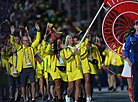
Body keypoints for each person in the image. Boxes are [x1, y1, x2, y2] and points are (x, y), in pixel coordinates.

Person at [10, 23, 41, 102]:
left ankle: (33, 98)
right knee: (23, 85)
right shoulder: (19, 48)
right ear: (22, 41)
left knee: (33, 83)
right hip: (23, 69)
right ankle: (24, 99)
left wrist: (38, 30)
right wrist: (12, 33)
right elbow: (12, 42)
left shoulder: (31, 47)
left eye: (28, 40)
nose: (27, 41)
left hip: (31, 69)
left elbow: (37, 40)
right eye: (26, 41)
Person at [63, 35, 83, 102]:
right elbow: (66, 58)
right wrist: (73, 53)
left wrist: (87, 33)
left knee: (78, 86)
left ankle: (76, 100)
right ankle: (68, 95)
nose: (71, 39)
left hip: (77, 69)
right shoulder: (66, 49)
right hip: (70, 70)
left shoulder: (76, 47)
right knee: (71, 87)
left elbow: (83, 44)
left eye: (72, 38)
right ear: (67, 40)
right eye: (70, 38)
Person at [125, 20, 138, 102]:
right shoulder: (130, 37)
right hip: (135, 62)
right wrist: (128, 60)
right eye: (137, 24)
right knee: (136, 82)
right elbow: (126, 50)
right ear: (134, 26)